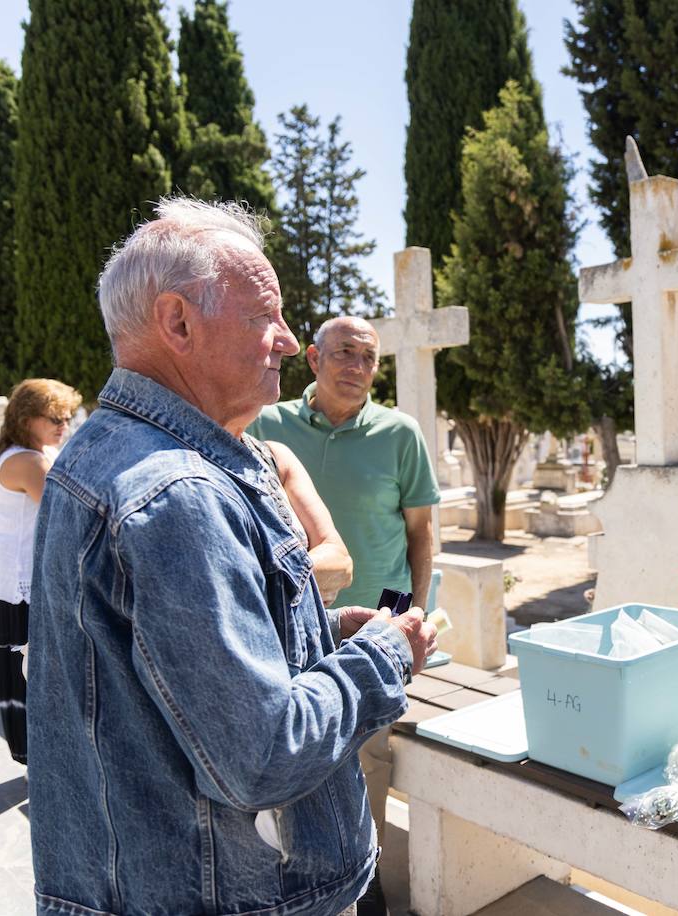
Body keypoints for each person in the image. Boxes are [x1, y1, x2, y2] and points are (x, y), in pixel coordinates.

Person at [27, 197, 435, 916]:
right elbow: (262, 757)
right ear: (178, 323)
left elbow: (161, 672)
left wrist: (324, 634)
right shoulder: (174, 491)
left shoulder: (111, 453)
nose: (284, 339)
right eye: (264, 317)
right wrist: (383, 657)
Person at [249, 314, 441, 915]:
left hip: (376, 623)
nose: (357, 368)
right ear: (312, 358)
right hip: (286, 622)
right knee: (291, 745)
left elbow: (421, 533)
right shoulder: (267, 424)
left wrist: (413, 616)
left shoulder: (400, 433)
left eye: (369, 358)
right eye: (344, 353)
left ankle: (369, 879)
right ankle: (298, 875)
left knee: (370, 752)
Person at [0, 378, 82, 764]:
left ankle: (32, 755)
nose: (63, 424)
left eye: (67, 417)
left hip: (8, 580)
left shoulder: (21, 454)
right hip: (20, 583)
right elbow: (66, 513)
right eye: (54, 417)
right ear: (26, 417)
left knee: (18, 671)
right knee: (29, 672)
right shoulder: (29, 461)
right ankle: (39, 760)